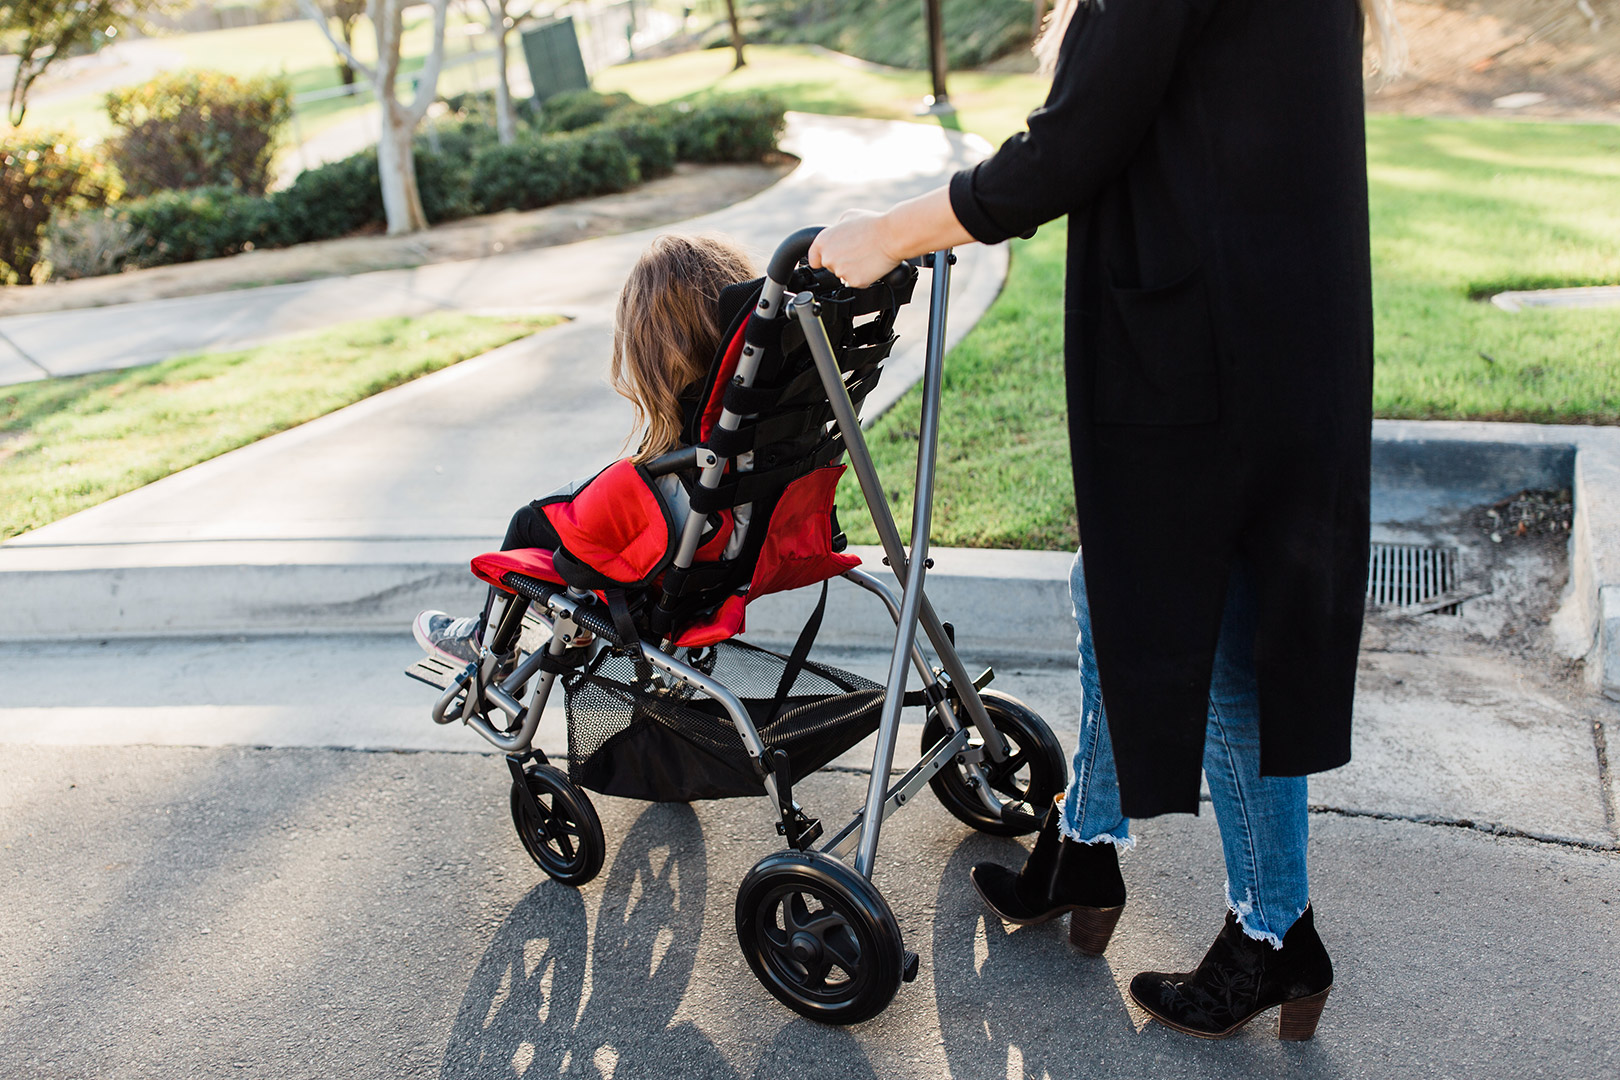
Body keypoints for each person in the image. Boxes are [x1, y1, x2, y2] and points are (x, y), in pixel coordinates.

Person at [809, 0, 1403, 1042]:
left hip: (1206, 350)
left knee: (1220, 647)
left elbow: (1065, 151)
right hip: (1269, 326)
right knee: (1117, 586)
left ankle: (1276, 933)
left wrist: (882, 235)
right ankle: (1087, 841)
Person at [414, 233, 758, 664]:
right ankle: (556, 621)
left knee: (530, 522)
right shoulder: (749, 396)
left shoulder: (702, 420)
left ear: (659, 343)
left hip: (682, 544)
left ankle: (489, 645)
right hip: (741, 545)